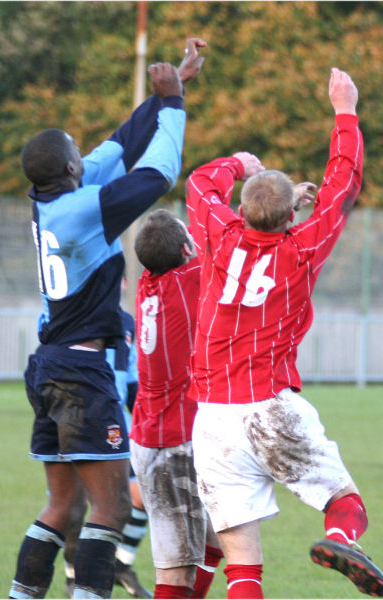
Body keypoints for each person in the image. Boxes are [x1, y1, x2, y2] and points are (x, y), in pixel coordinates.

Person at [9, 37, 206, 600]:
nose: (85, 154)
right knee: (113, 506)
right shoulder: (81, 210)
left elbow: (118, 148)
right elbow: (159, 173)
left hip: (49, 366)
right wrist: (173, 108)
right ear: (71, 167)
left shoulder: (53, 199)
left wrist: (169, 93)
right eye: (78, 151)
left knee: (62, 506)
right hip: (82, 373)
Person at [185, 68, 383, 599]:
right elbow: (342, 184)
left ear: (242, 211)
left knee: (243, 568)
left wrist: (239, 165)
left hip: (212, 420)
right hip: (271, 405)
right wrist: (345, 110)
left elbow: (198, 186)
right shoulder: (299, 249)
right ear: (289, 214)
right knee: (345, 502)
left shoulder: (216, 235)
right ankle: (342, 538)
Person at [130, 209, 223, 599]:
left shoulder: (147, 283)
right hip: (172, 444)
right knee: (176, 571)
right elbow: (228, 244)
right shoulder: (187, 280)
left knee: (216, 541)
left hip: (152, 435)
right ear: (186, 250)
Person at [62, 299, 151, 600]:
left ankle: (121, 565)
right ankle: (73, 576)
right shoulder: (69, 313)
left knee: (142, 496)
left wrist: (142, 417)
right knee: (77, 503)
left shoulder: (128, 323)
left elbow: (132, 378)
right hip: (79, 422)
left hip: (120, 425)